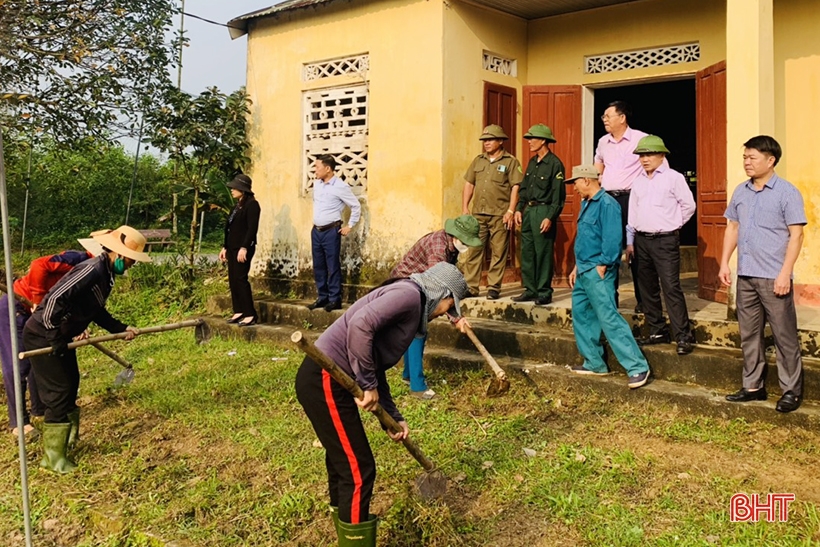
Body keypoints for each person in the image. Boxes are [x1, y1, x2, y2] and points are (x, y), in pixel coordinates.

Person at [296, 262, 468, 546]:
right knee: (358, 470)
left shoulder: (410, 304)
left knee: (343, 461)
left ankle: (345, 529)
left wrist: (392, 416)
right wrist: (367, 383)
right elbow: (360, 327)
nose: (446, 313)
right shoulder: (410, 296)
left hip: (330, 379)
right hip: (325, 377)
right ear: (443, 294)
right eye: (450, 305)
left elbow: (374, 362)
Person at [23, 226, 150, 473]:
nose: (132, 265)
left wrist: (120, 328)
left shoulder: (106, 275)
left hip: (60, 335)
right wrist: (52, 335)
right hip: (42, 335)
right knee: (58, 391)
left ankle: (69, 442)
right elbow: (55, 298)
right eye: (131, 260)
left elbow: (96, 310)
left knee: (71, 383)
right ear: (118, 254)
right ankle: (52, 458)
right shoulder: (91, 270)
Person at [720, 136, 807, 413]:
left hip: (774, 276)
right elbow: (732, 228)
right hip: (746, 275)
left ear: (771, 161)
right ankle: (752, 386)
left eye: (752, 157)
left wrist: (785, 273)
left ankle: (791, 391)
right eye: (745, 157)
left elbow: (796, 235)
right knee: (749, 334)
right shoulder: (741, 191)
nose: (747, 162)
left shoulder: (787, 192)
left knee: (784, 336)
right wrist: (724, 263)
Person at [1, 242, 100, 438]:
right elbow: (38, 264)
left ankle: (39, 410)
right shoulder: (77, 260)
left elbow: (71, 298)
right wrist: (38, 300)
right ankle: (18, 423)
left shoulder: (98, 274)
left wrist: (79, 325)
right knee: (18, 365)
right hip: (17, 308)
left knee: (41, 359)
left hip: (42, 317)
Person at [566, 165, 651, 389]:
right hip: (584, 269)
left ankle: (637, 367)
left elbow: (613, 239)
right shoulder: (586, 204)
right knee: (582, 316)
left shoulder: (607, 204)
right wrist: (576, 266)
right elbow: (585, 238)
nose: (573, 187)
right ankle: (594, 362)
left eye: (575, 182)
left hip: (597, 269)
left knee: (609, 318)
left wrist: (603, 264)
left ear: (586, 180)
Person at [389, 215, 480, 398]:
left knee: (412, 328)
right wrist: (455, 317)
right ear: (456, 235)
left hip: (418, 286)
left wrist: (457, 316)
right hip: (406, 285)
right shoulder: (438, 247)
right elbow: (439, 286)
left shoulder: (451, 246)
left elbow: (446, 286)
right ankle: (418, 387)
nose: (466, 246)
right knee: (417, 330)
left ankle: (408, 375)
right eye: (465, 241)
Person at [626, 135, 697, 355]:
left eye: (649, 154)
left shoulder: (673, 178)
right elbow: (633, 213)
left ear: (661, 155)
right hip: (641, 239)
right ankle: (657, 331)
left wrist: (672, 225)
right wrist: (630, 242)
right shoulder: (638, 181)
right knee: (647, 288)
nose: (644, 159)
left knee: (671, 287)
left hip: (665, 239)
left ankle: (682, 336)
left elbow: (689, 206)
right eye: (641, 155)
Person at [593, 101, 649, 311]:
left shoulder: (640, 139)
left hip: (632, 200)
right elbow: (599, 163)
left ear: (622, 117)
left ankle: (643, 302)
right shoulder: (603, 141)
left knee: (636, 251)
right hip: (608, 200)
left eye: (608, 116)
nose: (604, 120)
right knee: (608, 249)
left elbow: (655, 168)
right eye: (603, 117)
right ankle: (610, 301)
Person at [461, 124, 523, 300]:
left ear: (500, 141)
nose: (486, 143)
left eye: (490, 140)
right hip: (478, 213)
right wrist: (465, 207)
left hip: (499, 214)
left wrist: (511, 210)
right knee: (474, 250)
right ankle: (471, 286)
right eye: (484, 140)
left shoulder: (510, 162)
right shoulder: (478, 160)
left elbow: (515, 187)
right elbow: (469, 184)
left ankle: (493, 287)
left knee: (498, 251)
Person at [513, 124, 565, 306]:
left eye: (532, 138)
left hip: (544, 210)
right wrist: (519, 208)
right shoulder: (532, 162)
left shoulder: (555, 164)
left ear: (543, 140)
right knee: (527, 252)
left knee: (543, 253)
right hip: (529, 210)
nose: (529, 142)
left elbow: (558, 197)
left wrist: (550, 216)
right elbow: (525, 188)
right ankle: (530, 289)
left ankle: (544, 291)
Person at [308, 155, 361, 312]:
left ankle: (334, 299)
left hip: (331, 231)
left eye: (317, 167)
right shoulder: (317, 185)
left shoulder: (340, 186)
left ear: (328, 168)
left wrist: (349, 225)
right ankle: (322, 297)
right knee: (319, 265)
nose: (315, 170)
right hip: (316, 231)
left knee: (332, 265)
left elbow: (355, 206)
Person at [219, 174, 261, 327]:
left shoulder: (252, 205)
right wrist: (225, 246)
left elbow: (252, 229)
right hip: (232, 247)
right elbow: (229, 228)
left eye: (235, 188)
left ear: (243, 189)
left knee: (240, 279)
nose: (232, 190)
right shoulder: (236, 206)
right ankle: (239, 310)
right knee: (232, 279)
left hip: (243, 248)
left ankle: (250, 313)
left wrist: (244, 247)